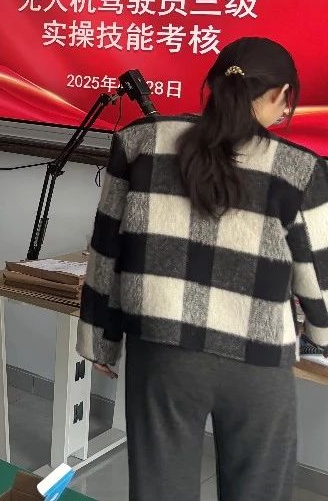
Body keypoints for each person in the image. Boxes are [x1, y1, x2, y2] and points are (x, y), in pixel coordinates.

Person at [78, 37, 328, 501]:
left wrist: (100, 342)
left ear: (210, 85)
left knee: (160, 490)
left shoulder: (139, 141)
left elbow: (105, 249)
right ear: (281, 95)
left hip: (162, 355)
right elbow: (319, 283)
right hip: (258, 364)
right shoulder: (300, 169)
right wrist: (321, 337)